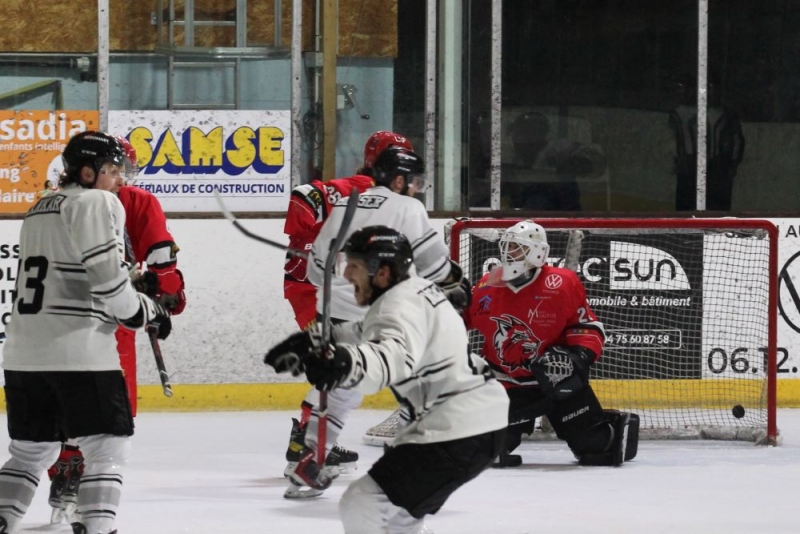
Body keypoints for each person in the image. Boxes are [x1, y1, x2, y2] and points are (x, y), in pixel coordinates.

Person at [266, 226, 508, 532]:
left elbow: (391, 356)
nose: (346, 275)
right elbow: (366, 330)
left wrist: (346, 364)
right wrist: (317, 338)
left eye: (354, 266)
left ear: (382, 272)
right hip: (476, 422)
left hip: (457, 430)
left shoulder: (397, 306)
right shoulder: (414, 289)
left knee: (363, 501)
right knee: (399, 519)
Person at [0, 131, 172, 534]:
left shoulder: (42, 205)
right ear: (88, 172)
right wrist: (148, 310)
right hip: (79, 351)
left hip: (24, 353)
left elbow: (70, 268)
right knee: (108, 447)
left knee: (31, 451)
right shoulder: (99, 201)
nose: (119, 180)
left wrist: (130, 280)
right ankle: (98, 528)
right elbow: (107, 282)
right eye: (112, 171)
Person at [281, 146, 470, 497]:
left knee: (341, 390)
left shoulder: (345, 204)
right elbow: (435, 265)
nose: (415, 188)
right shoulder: (408, 207)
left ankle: (308, 463)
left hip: (336, 312)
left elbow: (314, 269)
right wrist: (456, 286)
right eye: (413, 181)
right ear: (398, 179)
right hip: (383, 314)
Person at [45, 135, 187, 524]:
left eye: (122, 170)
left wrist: (161, 292)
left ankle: (69, 471)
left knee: (68, 401)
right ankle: (83, 485)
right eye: (113, 170)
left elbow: (159, 260)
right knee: (106, 409)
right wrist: (163, 299)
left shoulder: (51, 203)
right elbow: (161, 261)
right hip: (107, 316)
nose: (120, 178)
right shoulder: (132, 201)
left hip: (58, 318)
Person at [280, 131, 413, 486]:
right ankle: (307, 447)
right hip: (331, 295)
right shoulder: (360, 189)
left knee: (342, 376)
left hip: (320, 291)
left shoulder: (369, 195)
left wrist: (314, 243)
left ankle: (309, 450)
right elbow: (302, 200)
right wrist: (309, 239)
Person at [465, 219, 639, 467]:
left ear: (538, 252)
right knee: (487, 452)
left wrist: (576, 358)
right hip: (507, 386)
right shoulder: (486, 285)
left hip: (558, 381)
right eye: (507, 246)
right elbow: (459, 321)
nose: (509, 253)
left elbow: (587, 327)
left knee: (597, 448)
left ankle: (605, 423)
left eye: (517, 247)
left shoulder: (561, 283)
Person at [670, 75, 745, 211]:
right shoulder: (681, 113)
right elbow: (676, 141)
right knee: (704, 206)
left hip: (709, 165)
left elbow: (737, 142)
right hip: (702, 165)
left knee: (699, 205)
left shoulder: (680, 113)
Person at [506, 111, 606, 211]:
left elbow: (597, 163)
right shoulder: (512, 156)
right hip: (523, 217)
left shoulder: (558, 148)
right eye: (517, 133)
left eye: (523, 133)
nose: (517, 138)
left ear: (540, 132)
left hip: (563, 215)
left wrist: (580, 163)